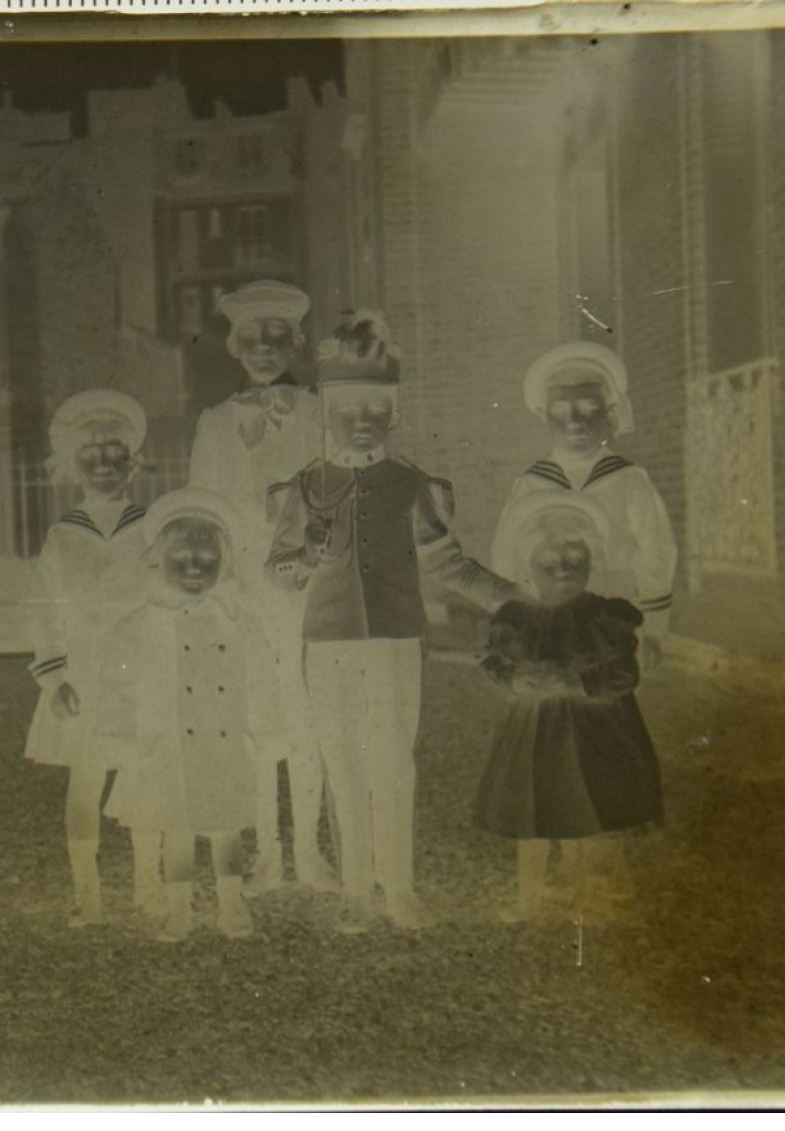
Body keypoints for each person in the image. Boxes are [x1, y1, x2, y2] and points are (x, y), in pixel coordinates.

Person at [267, 312, 517, 932]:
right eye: (348, 410)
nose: (360, 423)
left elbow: (447, 561)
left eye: (374, 411)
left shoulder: (409, 485)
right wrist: (304, 555)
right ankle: (356, 889)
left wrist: (507, 594)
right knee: (342, 759)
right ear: (326, 412)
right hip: (327, 645)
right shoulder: (304, 487)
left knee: (392, 761)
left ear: (392, 415)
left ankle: (398, 887)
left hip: (396, 645)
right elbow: (275, 571)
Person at [186, 279, 334, 892]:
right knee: (256, 719)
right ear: (233, 346)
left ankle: (311, 850)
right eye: (252, 337)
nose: (265, 347)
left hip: (307, 587)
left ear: (296, 342)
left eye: (277, 335)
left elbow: (336, 494)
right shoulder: (217, 422)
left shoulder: (320, 414)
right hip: (245, 590)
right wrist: (220, 587)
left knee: (310, 716)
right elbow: (205, 512)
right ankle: (267, 851)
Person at [94, 490, 288, 941]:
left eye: (205, 556)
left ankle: (231, 900)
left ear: (225, 561)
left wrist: (268, 731)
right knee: (175, 825)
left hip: (224, 742)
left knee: (226, 827)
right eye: (180, 556)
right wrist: (120, 737)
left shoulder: (241, 622)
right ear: (158, 561)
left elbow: (263, 681)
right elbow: (118, 685)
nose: (194, 566)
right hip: (166, 745)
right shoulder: (141, 624)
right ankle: (179, 906)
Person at [474, 491, 664, 924]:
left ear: (591, 559)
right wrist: (515, 677)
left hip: (593, 730)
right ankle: (529, 897)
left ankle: (588, 893)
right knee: (533, 806)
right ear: (527, 566)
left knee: (586, 804)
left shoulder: (602, 616)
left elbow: (624, 674)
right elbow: (492, 661)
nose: (563, 569)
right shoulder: (517, 617)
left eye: (574, 558)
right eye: (549, 562)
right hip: (537, 730)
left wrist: (575, 680)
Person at [23, 389, 159, 927]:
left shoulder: (152, 528)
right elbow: (43, 610)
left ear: (134, 463)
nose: (103, 464)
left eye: (113, 453)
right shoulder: (62, 537)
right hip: (83, 676)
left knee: (145, 778)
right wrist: (55, 679)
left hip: (140, 676)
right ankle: (88, 895)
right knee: (85, 779)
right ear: (72, 467)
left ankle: (150, 886)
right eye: (90, 456)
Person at [494, 342, 677, 666]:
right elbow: (506, 555)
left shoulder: (629, 482)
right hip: (547, 617)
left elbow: (656, 553)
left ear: (610, 413)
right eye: (561, 410)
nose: (574, 421)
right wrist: (514, 618)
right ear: (543, 415)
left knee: (610, 698)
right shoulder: (531, 485)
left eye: (589, 408)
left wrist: (653, 629)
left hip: (614, 613)